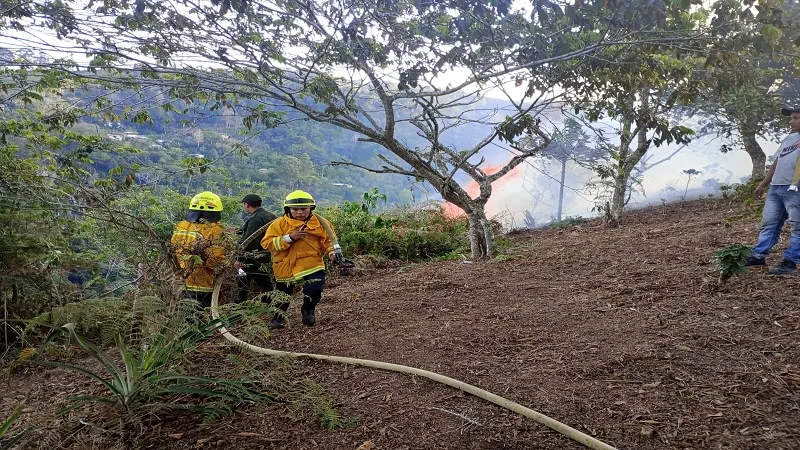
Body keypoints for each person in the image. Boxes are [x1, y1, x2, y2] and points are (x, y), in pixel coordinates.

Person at [261, 190, 337, 328]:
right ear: (288, 209)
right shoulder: (279, 224)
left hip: (312, 263)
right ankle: (278, 318)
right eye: (295, 209)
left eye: (303, 209)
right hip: (286, 265)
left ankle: (308, 310)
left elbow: (328, 241)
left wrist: (331, 253)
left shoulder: (321, 223)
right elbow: (267, 243)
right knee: (283, 295)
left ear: (311, 208)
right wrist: (289, 238)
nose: (299, 212)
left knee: (315, 288)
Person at [747, 106, 800, 275]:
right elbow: (777, 162)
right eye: (791, 118)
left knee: (797, 227)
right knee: (769, 224)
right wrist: (763, 184)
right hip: (776, 187)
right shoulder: (789, 138)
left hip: (795, 188)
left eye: (796, 118)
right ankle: (758, 256)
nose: (791, 121)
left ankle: (790, 261)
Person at [170, 191, 227, 308]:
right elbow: (215, 259)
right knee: (199, 320)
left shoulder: (181, 225)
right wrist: (228, 265)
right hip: (202, 283)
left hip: (179, 279)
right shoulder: (215, 230)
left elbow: (173, 250)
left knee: (183, 317)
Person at [235, 194, 278, 303]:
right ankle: (267, 303)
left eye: (244, 204)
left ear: (247, 205)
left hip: (252, 257)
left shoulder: (255, 219)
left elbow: (249, 241)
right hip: (266, 255)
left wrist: (240, 259)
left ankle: (240, 306)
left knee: (243, 281)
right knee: (264, 280)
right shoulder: (272, 216)